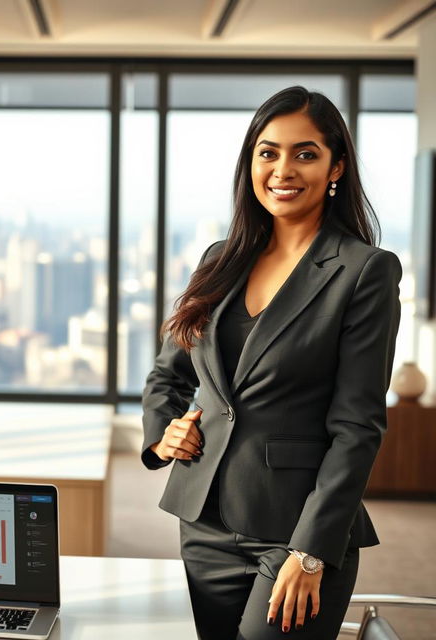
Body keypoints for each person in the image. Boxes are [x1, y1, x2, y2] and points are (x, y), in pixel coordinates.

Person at [141, 85, 402, 640]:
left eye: (305, 153)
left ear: (336, 166)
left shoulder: (364, 271)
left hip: (294, 528)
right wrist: (164, 433)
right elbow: (170, 373)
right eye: (268, 152)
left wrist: (311, 551)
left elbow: (357, 426)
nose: (284, 169)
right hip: (204, 519)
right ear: (251, 163)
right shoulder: (222, 259)